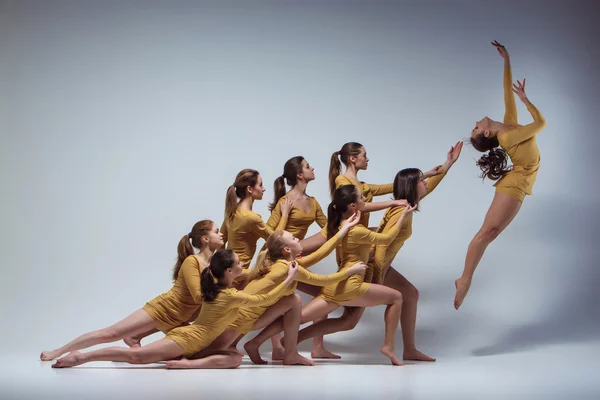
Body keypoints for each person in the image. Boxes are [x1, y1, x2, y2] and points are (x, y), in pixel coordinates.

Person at [52, 250, 299, 368]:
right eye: (238, 263)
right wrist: (288, 279)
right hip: (187, 339)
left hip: (195, 344)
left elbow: (257, 285)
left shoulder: (222, 289)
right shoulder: (229, 296)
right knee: (137, 358)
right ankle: (81, 357)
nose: (242, 265)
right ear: (228, 272)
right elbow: (264, 299)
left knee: (235, 358)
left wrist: (265, 258)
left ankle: (188, 364)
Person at [41, 221, 223, 361]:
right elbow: (198, 295)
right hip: (163, 309)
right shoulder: (192, 261)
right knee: (109, 334)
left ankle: (135, 337)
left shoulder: (212, 266)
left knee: (192, 352)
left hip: (179, 318)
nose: (221, 234)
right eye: (216, 231)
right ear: (205, 239)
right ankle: (58, 351)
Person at [454, 41, 546, 309]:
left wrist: (506, 60)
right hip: (516, 183)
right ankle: (465, 280)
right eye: (475, 128)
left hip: (520, 182)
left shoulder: (508, 124)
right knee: (487, 233)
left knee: (489, 233)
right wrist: (527, 101)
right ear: (486, 133)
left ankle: (465, 278)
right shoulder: (506, 135)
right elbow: (541, 124)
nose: (476, 123)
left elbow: (506, 91)